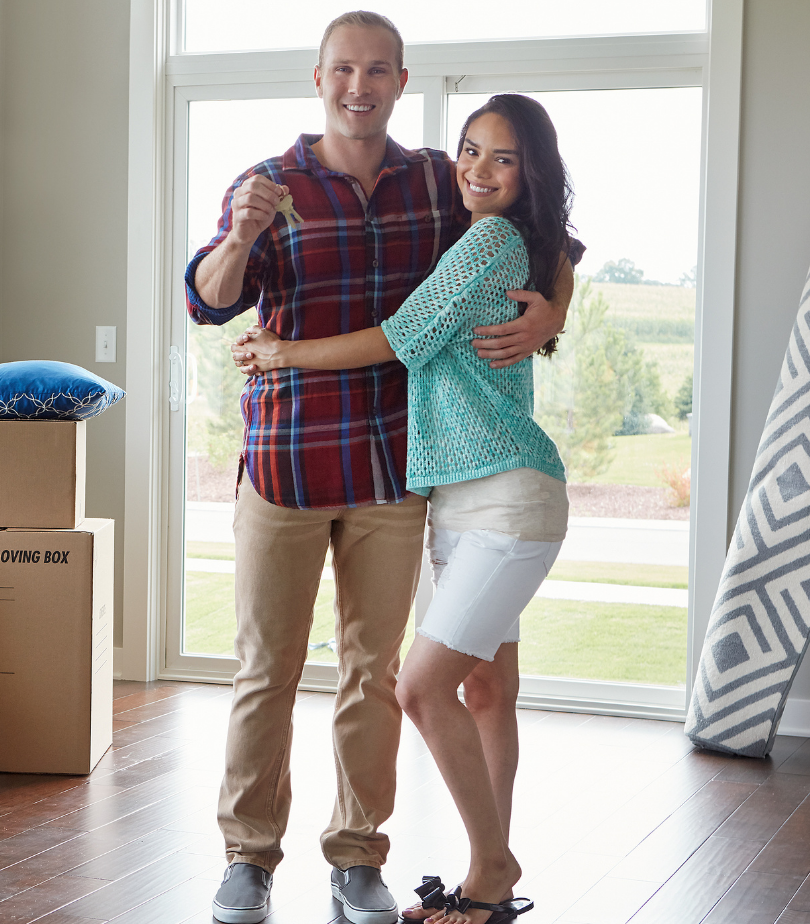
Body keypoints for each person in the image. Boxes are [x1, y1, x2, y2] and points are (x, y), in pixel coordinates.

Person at [184, 11, 574, 924]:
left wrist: (550, 314)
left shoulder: (444, 180)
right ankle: (249, 858)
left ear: (402, 81)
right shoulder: (268, 183)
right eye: (343, 69)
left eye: (377, 71)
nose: (358, 86)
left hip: (395, 469)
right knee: (265, 669)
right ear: (317, 77)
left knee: (377, 673)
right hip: (286, 458)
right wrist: (240, 240)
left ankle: (358, 859)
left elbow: (549, 234)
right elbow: (209, 298)